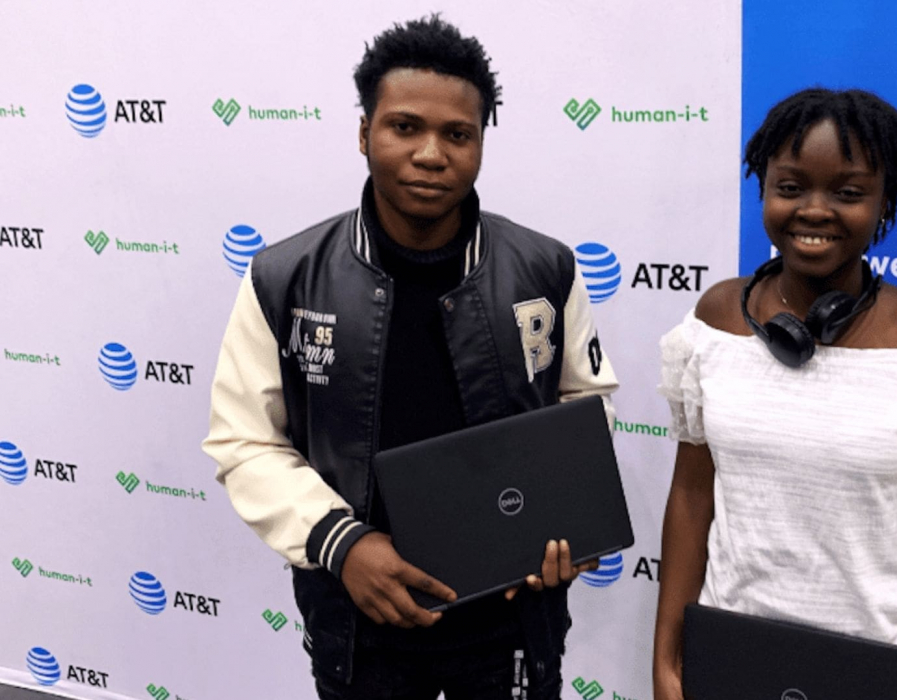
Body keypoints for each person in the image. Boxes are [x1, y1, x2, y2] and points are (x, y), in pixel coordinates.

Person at [203, 15, 618, 700]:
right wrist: (343, 543)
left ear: (481, 142)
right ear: (364, 133)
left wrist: (568, 514)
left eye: (458, 134)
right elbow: (243, 440)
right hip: (360, 617)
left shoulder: (545, 268)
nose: (432, 153)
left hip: (511, 619)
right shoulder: (285, 276)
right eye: (404, 127)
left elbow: (585, 403)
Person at [651, 88, 897, 700]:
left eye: (847, 193)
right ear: (763, 188)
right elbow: (691, 495)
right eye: (790, 187)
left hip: (870, 671)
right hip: (730, 656)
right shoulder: (715, 323)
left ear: (884, 202)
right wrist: (666, 657)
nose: (813, 211)